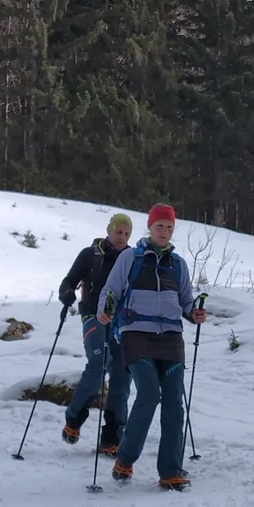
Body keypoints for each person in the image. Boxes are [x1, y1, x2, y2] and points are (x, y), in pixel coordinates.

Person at [97, 203, 207, 489]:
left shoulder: (178, 264)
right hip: (136, 334)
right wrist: (104, 310)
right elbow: (111, 290)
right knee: (148, 393)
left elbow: (186, 301)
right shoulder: (130, 258)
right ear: (150, 227)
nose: (165, 231)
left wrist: (194, 313)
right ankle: (125, 458)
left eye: (169, 227)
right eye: (160, 226)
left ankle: (170, 471)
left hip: (171, 337)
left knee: (174, 402)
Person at [57, 212, 134, 453]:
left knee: (122, 375)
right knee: (99, 362)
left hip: (122, 323)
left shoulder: (133, 259)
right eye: (118, 231)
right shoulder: (91, 255)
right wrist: (66, 294)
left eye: (127, 233)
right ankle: (74, 418)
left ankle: (112, 437)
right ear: (109, 230)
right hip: (93, 316)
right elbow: (69, 281)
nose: (122, 237)